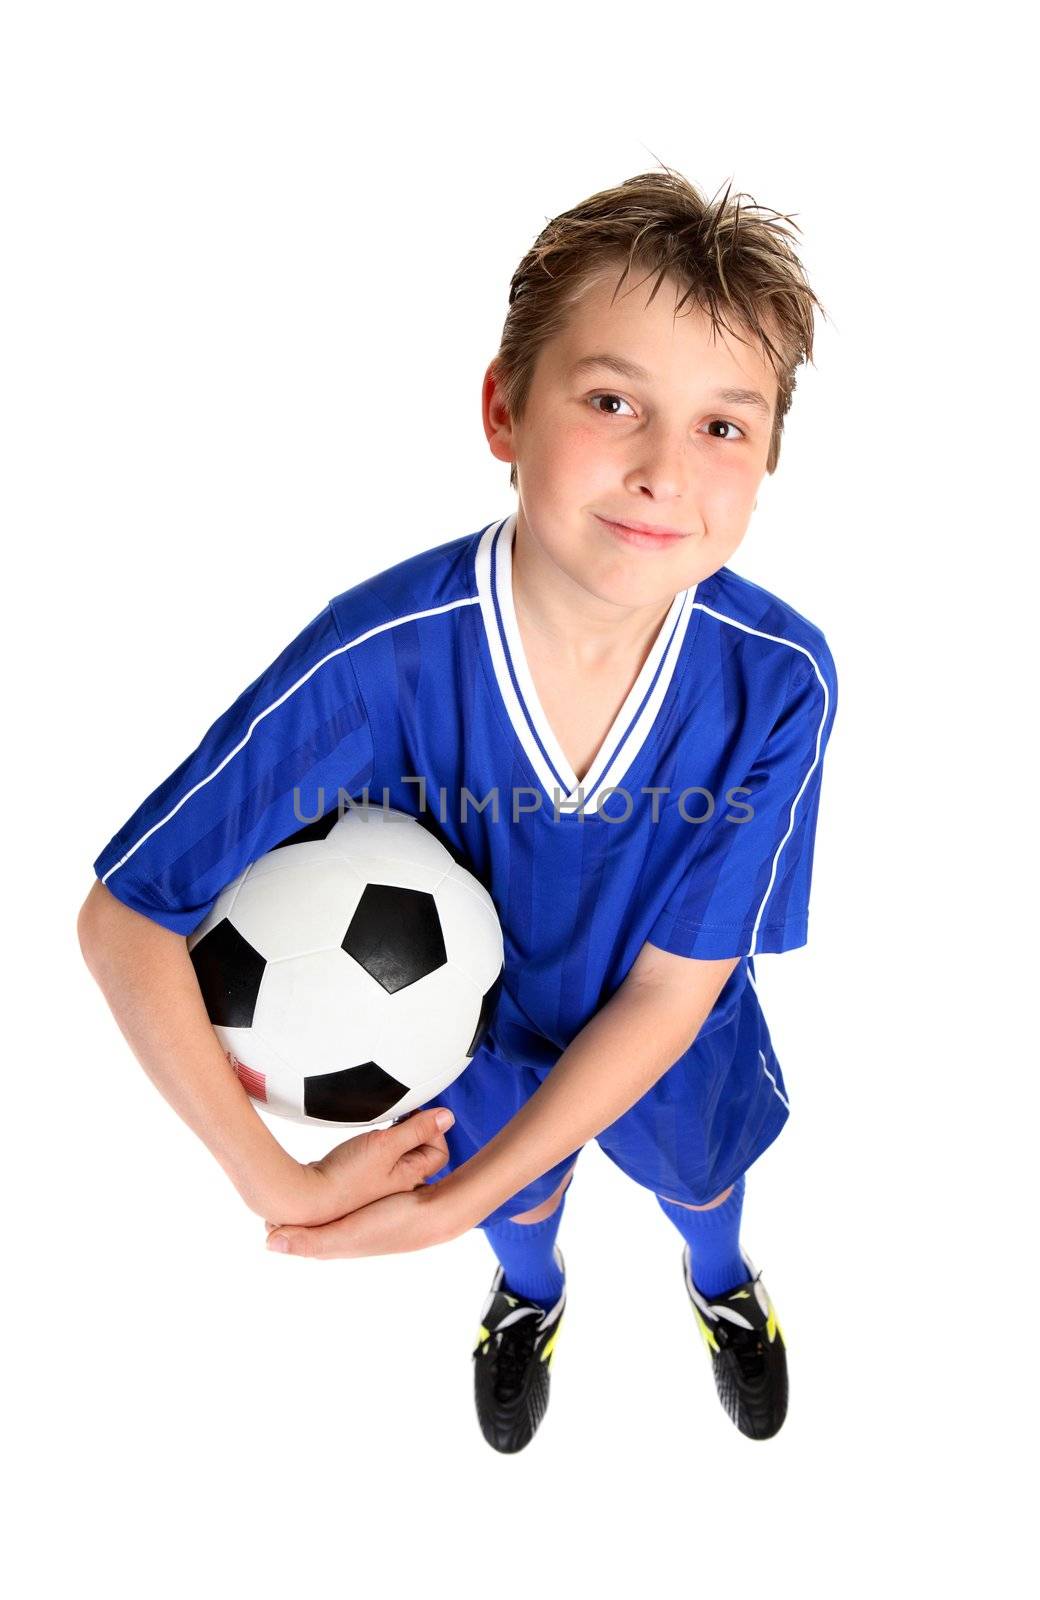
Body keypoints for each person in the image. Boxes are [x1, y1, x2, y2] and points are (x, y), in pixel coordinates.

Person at [78, 166, 839, 1456]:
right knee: (519, 1210)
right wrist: (277, 1179)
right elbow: (126, 917)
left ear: (769, 457)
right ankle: (526, 1300)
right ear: (505, 409)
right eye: (612, 401)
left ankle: (722, 1281)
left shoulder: (778, 681)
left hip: (672, 1026)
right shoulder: (375, 662)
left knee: (705, 1181)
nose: (663, 469)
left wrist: (429, 1212)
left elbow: (670, 992)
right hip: (457, 1044)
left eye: (723, 424)